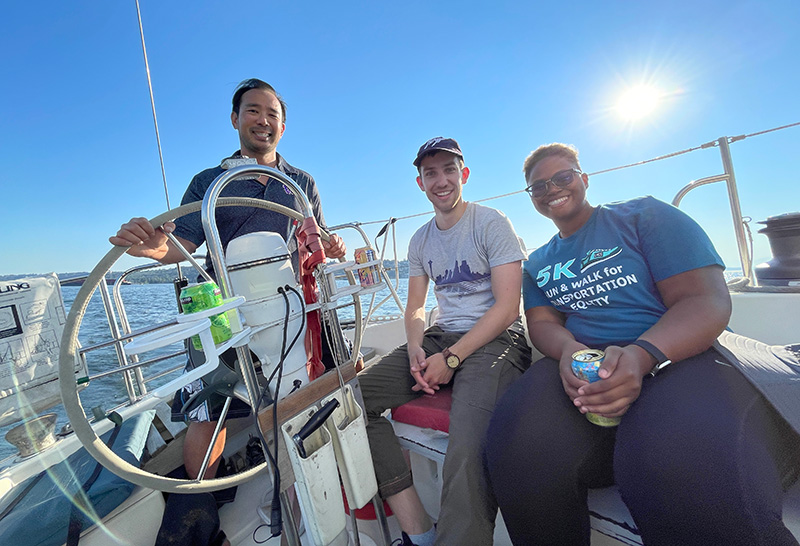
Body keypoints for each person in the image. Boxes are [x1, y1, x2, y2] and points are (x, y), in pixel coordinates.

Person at [484, 143, 800, 545]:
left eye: (562, 177)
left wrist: (641, 354)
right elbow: (543, 321)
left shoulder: (643, 215)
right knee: (514, 445)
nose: (552, 189)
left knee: (673, 463)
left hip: (681, 354)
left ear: (583, 179)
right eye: (539, 186)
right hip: (589, 360)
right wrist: (569, 351)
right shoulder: (539, 262)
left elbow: (704, 299)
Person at [109, 78, 346, 483]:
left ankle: (305, 479)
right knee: (209, 411)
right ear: (235, 119)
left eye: (272, 114)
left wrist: (335, 246)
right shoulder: (207, 182)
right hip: (223, 314)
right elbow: (179, 244)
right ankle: (201, 501)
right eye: (253, 111)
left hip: (289, 309)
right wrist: (150, 248)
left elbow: (316, 240)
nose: (263, 120)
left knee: (297, 391)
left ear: (283, 127)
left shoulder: (302, 183)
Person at [358, 137, 531, 546]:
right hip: (441, 337)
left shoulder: (491, 223)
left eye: (449, 170)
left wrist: (450, 360)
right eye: (430, 173)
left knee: (468, 447)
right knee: (352, 401)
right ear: (420, 183)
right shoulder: (420, 240)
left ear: (463, 175)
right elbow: (416, 306)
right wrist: (417, 347)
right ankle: (418, 530)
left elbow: (508, 308)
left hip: (497, 339)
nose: (441, 180)